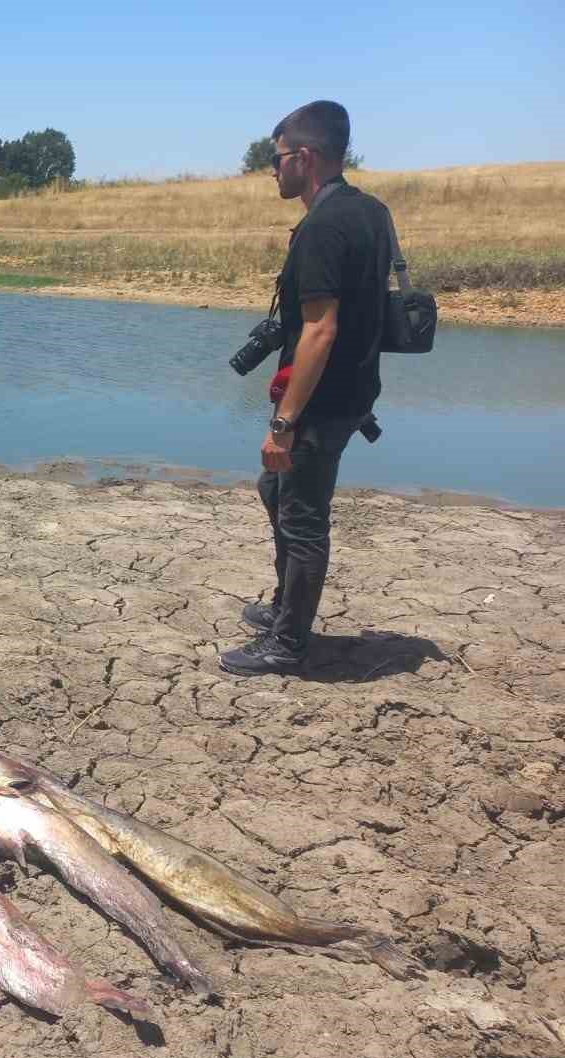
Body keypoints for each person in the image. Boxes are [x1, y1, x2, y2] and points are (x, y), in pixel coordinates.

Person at [220, 101, 392, 676]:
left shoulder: (322, 226)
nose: (271, 170)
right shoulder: (370, 210)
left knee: (302, 518)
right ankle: (283, 610)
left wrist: (284, 422)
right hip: (353, 389)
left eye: (277, 159)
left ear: (305, 156)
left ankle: (289, 643)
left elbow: (321, 329)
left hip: (320, 400)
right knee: (276, 488)